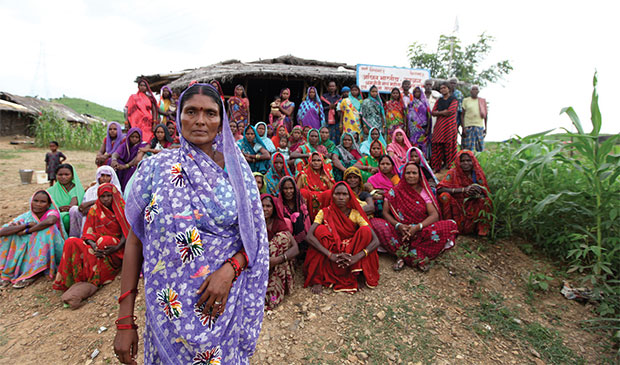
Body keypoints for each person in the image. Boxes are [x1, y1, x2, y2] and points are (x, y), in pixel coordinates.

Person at [114, 83, 269, 364]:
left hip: (222, 306)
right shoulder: (155, 168)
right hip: (167, 310)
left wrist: (230, 270)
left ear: (221, 120)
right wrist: (125, 319)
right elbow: (136, 240)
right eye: (191, 111)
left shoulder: (238, 170)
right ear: (178, 117)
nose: (200, 120)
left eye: (210, 113)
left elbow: (254, 237)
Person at [371, 162, 458, 271]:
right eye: (408, 173)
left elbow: (434, 215)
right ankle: (412, 256)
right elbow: (385, 212)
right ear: (403, 175)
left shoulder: (424, 192)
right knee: (374, 223)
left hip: (421, 231)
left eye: (414, 173)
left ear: (419, 175)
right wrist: (398, 225)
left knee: (450, 224)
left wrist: (417, 227)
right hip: (399, 231)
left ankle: (407, 256)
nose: (411, 176)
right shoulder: (395, 191)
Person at [303, 182, 380, 294]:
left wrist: (356, 257)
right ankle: (317, 277)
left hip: (352, 253)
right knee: (320, 231)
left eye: (344, 194)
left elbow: (375, 240)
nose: (340, 198)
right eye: (337, 194)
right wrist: (331, 255)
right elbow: (309, 236)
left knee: (365, 231)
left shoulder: (355, 214)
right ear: (332, 195)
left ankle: (357, 273)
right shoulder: (324, 212)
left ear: (350, 197)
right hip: (332, 251)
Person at [53, 183, 128, 292]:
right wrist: (93, 245)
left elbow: (127, 232)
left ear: (114, 195)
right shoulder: (94, 210)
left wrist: (116, 248)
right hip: (97, 246)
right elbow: (88, 233)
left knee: (104, 241)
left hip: (117, 248)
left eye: (109, 196)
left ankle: (101, 276)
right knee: (71, 242)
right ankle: (71, 280)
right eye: (103, 196)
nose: (106, 199)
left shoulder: (122, 209)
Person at [0, 190, 66, 289]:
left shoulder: (52, 213)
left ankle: (34, 273)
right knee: (11, 233)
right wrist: (25, 225)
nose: (38, 204)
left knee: (47, 230)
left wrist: (27, 231)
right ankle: (10, 270)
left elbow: (50, 221)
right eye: (35, 201)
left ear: (48, 205)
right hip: (30, 250)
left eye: (42, 202)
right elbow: (3, 231)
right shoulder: (27, 216)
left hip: (52, 250)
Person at [438, 150, 492, 236]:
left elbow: (486, 192)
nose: (465, 163)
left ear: (473, 161)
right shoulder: (453, 173)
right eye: (462, 161)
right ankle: (449, 225)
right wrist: (464, 190)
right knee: (444, 196)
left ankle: (482, 229)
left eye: (468, 160)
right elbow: (440, 189)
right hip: (456, 203)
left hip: (472, 202)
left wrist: (476, 191)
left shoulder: (477, 173)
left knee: (485, 201)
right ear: (458, 162)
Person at [261, 194, 298, 310]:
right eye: (262, 206)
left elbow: (295, 248)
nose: (265, 209)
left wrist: (277, 259)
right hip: (261, 261)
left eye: (268, 206)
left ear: (274, 208)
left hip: (278, 261)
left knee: (282, 237)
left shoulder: (278, 223)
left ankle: (273, 297)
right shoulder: (253, 223)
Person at [68, 166, 122, 238]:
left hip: (109, 216)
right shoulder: (91, 190)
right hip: (91, 212)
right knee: (74, 209)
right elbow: (82, 208)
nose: (105, 178)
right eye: (102, 175)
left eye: (108, 176)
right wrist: (97, 203)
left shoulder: (115, 190)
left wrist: (98, 205)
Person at [47, 164, 84, 234]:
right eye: (60, 175)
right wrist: (58, 209)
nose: (63, 177)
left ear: (72, 175)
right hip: (55, 213)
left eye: (67, 174)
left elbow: (73, 205)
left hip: (72, 214)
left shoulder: (77, 189)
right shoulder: (50, 190)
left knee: (66, 219)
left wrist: (63, 209)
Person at [297, 152, 335, 220]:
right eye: (313, 160)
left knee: (329, 193)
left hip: (323, 199)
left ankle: (326, 218)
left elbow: (333, 190)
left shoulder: (326, 174)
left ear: (322, 162)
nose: (316, 163)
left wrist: (327, 180)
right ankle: (305, 218)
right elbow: (297, 190)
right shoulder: (303, 175)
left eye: (318, 160)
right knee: (303, 192)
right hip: (309, 198)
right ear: (309, 161)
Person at [430, 82, 458, 173]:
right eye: (441, 88)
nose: (442, 90)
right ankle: (436, 166)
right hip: (439, 127)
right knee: (436, 145)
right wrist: (442, 112)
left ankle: (448, 166)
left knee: (449, 145)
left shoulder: (454, 100)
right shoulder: (439, 100)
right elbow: (433, 112)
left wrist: (439, 113)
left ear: (449, 89)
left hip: (449, 127)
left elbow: (450, 112)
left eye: (444, 88)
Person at [461, 85, 488, 152]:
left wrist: (486, 128)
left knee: (480, 147)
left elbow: (485, 115)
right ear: (470, 91)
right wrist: (463, 127)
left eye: (476, 89)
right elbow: (462, 114)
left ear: (478, 91)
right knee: (468, 147)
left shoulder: (482, 101)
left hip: (479, 126)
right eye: (473, 89)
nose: (474, 91)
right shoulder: (466, 100)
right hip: (468, 126)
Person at [407, 86, 431, 156]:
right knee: (414, 146)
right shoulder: (410, 104)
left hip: (423, 129)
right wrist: (408, 129)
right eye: (415, 92)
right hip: (413, 130)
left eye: (418, 92)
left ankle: (423, 162)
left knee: (423, 146)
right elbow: (407, 116)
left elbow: (429, 116)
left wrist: (428, 129)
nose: (416, 93)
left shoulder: (425, 103)